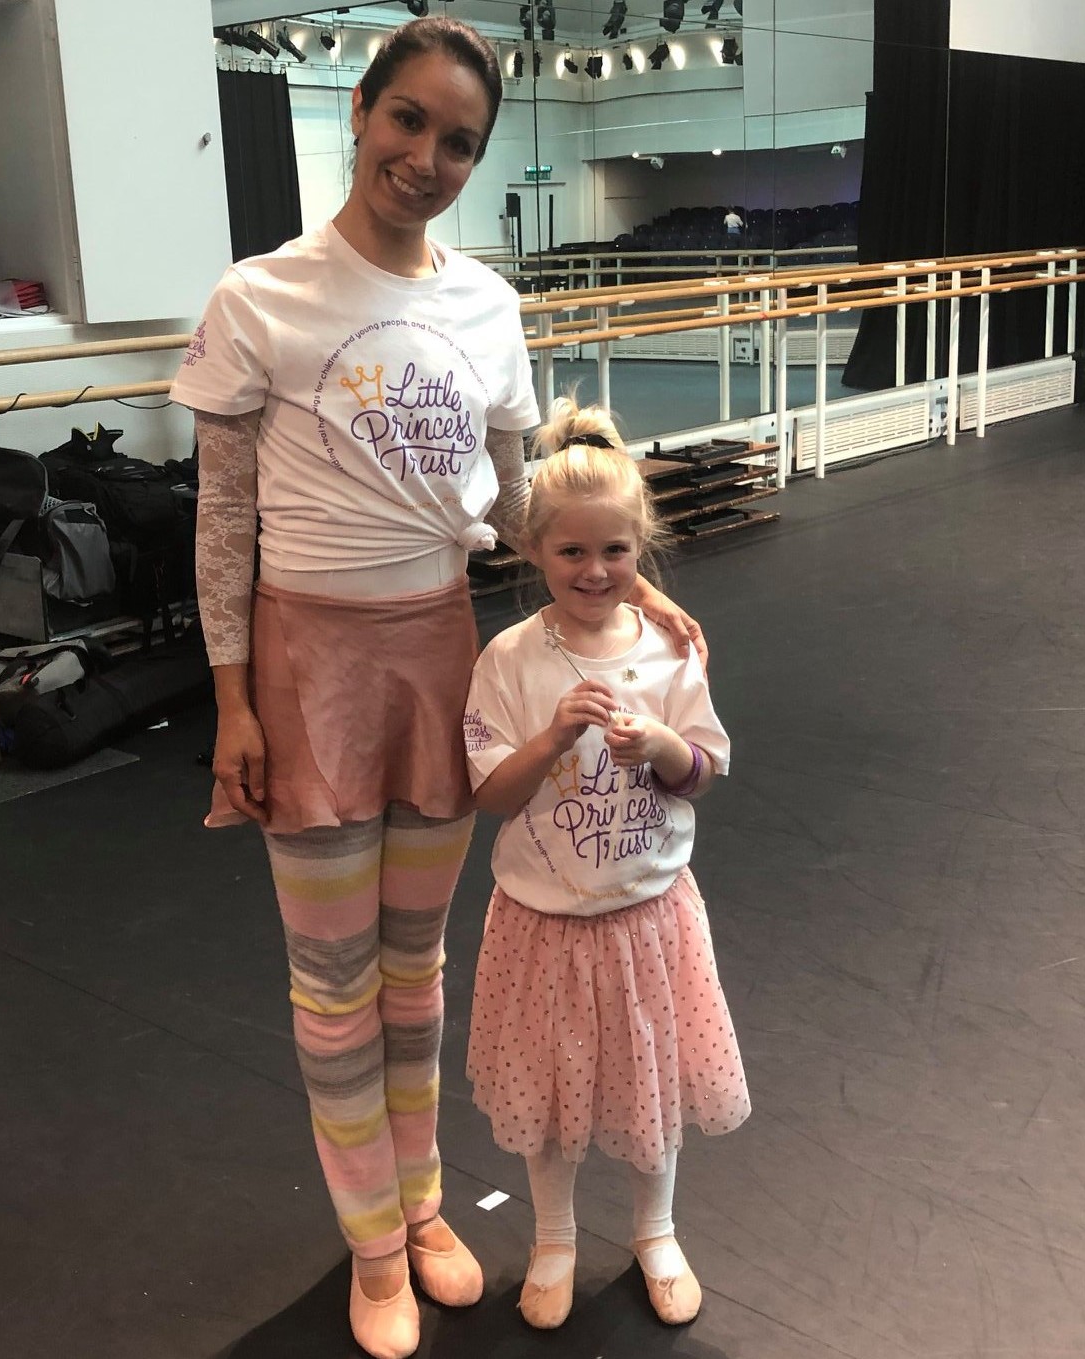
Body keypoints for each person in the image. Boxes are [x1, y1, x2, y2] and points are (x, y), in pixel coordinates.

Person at [169, 18, 703, 1359]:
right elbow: (222, 518)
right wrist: (233, 698)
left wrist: (626, 587)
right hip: (307, 664)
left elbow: (530, 509)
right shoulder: (260, 298)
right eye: (407, 120)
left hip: (440, 654)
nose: (427, 156)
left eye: (457, 139)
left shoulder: (487, 306)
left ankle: (419, 1201)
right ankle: (370, 1241)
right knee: (334, 977)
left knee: (418, 968)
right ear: (359, 111)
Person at [463, 397, 751, 1330]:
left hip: (648, 918)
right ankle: (553, 1235)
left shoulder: (670, 648)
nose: (595, 571)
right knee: (551, 1094)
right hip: (543, 923)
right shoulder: (508, 658)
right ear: (533, 550)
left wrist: (663, 744)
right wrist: (551, 737)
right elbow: (490, 795)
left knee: (650, 1080)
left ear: (642, 548)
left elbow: (703, 771)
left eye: (615, 552)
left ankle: (656, 1228)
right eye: (572, 552)